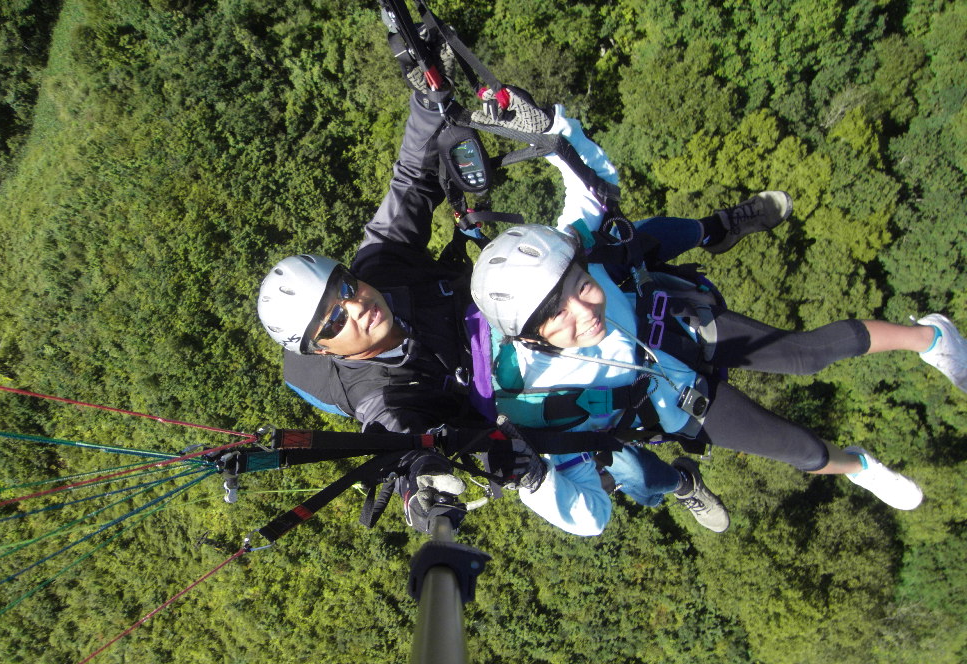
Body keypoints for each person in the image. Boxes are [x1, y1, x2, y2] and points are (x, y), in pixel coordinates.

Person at [255, 45, 783, 533]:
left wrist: (426, 95)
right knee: (624, 454)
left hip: (506, 306)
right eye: (333, 321)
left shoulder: (380, 267)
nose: (355, 306)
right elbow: (391, 435)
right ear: (322, 348)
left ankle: (716, 228)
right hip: (512, 395)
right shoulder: (377, 393)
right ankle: (681, 481)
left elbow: (411, 181)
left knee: (611, 244)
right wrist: (419, 480)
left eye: (344, 286)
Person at [471, 216, 967, 516]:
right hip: (684, 407)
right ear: (529, 335)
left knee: (805, 355)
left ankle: (932, 336)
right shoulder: (535, 393)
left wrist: (552, 127)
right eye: (558, 313)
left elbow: (588, 178)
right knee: (802, 449)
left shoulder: (580, 262)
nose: (584, 312)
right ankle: (859, 466)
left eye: (579, 288)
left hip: (683, 333)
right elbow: (591, 515)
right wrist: (534, 479)